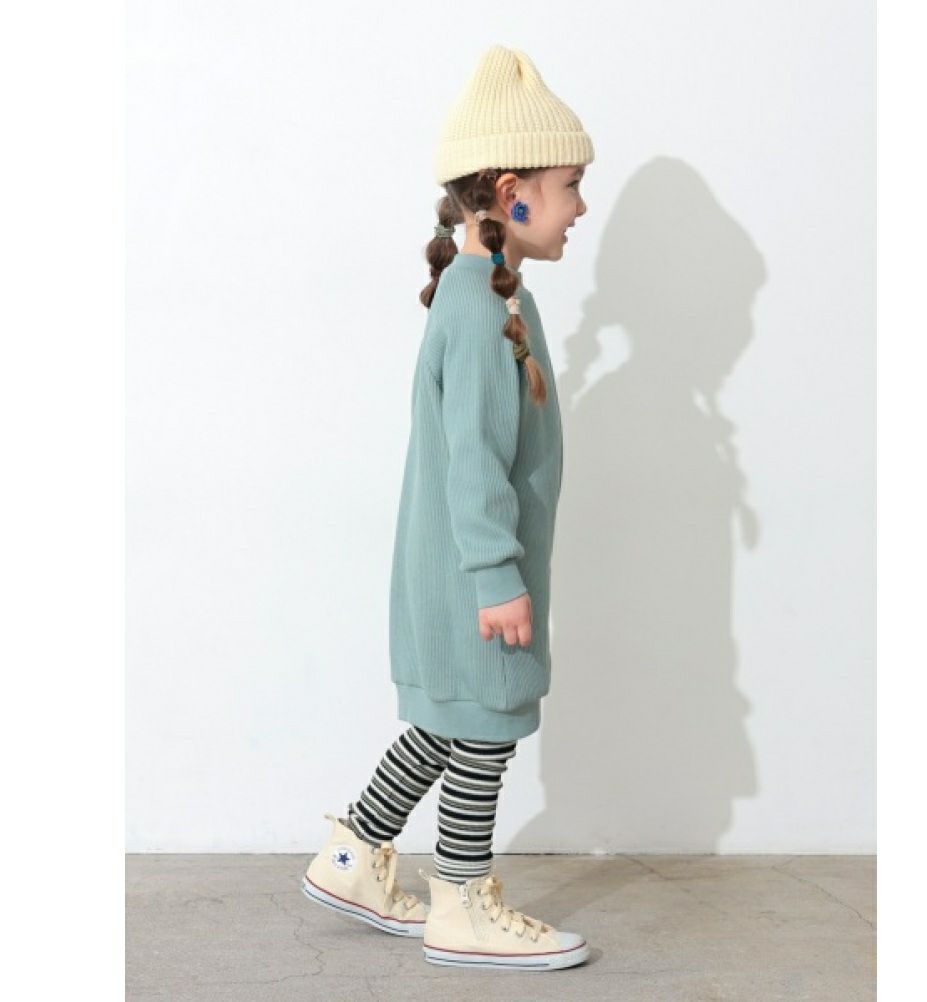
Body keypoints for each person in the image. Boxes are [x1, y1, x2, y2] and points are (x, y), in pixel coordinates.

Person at [302, 43, 594, 972]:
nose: (581, 207)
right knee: (484, 733)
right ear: (511, 193)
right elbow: (475, 461)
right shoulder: (476, 311)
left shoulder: (486, 300)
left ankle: (355, 857)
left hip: (450, 569)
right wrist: (500, 576)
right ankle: (461, 903)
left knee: (448, 720)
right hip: (474, 575)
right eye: (569, 186)